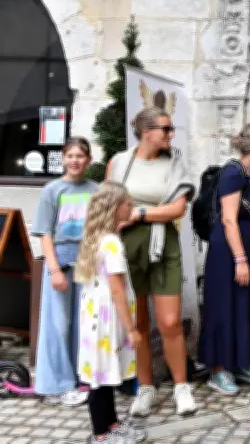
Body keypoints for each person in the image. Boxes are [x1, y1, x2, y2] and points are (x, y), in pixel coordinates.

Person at [106, 107, 197, 416]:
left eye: (171, 129)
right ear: (147, 132)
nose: (171, 134)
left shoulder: (174, 164)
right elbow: (107, 204)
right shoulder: (119, 162)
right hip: (126, 245)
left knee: (170, 321)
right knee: (139, 321)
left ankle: (181, 387)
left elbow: (177, 209)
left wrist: (139, 213)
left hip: (163, 243)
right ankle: (145, 388)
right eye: (166, 129)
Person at [199, 123, 250, 395]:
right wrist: (241, 259)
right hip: (229, 253)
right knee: (225, 307)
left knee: (246, 307)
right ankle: (218, 369)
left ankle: (239, 362)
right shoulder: (233, 173)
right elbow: (229, 220)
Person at [75, 181, 146, 444]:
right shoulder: (112, 245)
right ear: (116, 208)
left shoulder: (97, 238)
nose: (132, 208)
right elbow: (117, 291)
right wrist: (131, 328)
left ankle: (112, 423)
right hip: (108, 319)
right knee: (101, 380)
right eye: (128, 204)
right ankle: (101, 435)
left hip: (94, 317)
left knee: (104, 375)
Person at [30, 137, 98, 406]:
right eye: (70, 156)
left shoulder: (96, 189)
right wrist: (55, 269)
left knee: (83, 323)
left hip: (87, 261)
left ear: (88, 160)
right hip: (60, 259)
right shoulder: (52, 190)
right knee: (58, 323)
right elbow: (45, 232)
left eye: (80, 156)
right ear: (63, 158)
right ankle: (56, 384)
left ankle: (80, 376)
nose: (75, 161)